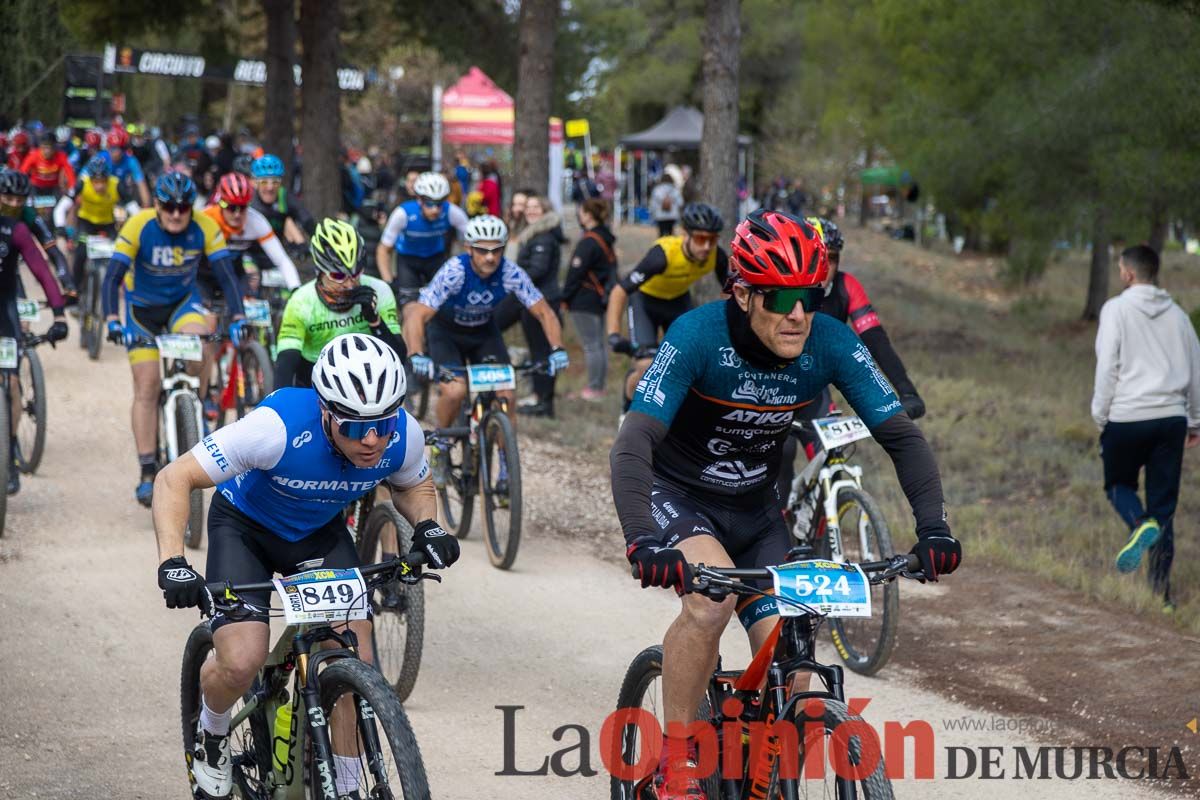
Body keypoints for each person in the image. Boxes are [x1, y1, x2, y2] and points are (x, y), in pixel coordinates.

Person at [609, 209, 959, 798]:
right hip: (679, 497)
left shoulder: (828, 341)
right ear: (743, 293)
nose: (797, 313)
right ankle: (674, 763)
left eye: (810, 296)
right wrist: (642, 536)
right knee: (711, 604)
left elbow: (901, 438)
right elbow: (633, 442)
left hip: (757, 509)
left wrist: (934, 529)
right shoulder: (698, 336)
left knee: (797, 663)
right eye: (779, 296)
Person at [151, 332, 460, 800]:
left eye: (384, 423)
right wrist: (173, 561)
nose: (373, 440)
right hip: (245, 529)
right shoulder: (275, 427)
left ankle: (349, 786)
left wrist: (429, 528)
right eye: (356, 428)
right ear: (325, 412)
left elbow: (414, 485)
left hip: (317, 533)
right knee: (242, 659)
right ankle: (212, 734)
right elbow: (174, 478)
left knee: (355, 655)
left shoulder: (404, 435)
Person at [103, 172, 246, 506]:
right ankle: (147, 469)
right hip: (142, 314)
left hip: (181, 306)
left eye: (183, 207)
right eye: (169, 207)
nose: (177, 214)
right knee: (147, 386)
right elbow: (112, 279)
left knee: (202, 340)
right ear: (157, 205)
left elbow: (226, 276)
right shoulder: (138, 226)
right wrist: (111, 319)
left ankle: (193, 405)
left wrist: (238, 316)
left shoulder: (204, 228)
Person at [402, 215, 568, 482]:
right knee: (454, 390)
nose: (490, 258)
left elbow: (544, 312)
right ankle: (441, 448)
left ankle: (505, 463)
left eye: (496, 250)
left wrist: (557, 348)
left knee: (507, 394)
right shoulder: (454, 271)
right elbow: (417, 316)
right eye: (482, 250)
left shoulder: (510, 272)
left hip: (483, 333)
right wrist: (416, 353)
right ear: (469, 249)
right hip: (446, 333)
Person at [776, 216, 927, 504]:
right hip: (772, 387)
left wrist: (906, 390)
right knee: (779, 460)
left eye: (832, 259)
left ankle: (822, 535)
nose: (826, 268)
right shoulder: (782, 287)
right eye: (818, 257)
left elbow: (875, 339)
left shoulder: (847, 286)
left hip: (813, 389)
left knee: (830, 463)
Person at [1092, 244, 1200, 613]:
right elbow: (1196, 372)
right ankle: (1162, 596)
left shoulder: (1116, 310)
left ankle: (1138, 524)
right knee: (1163, 507)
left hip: (1126, 416)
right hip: (1170, 419)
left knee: (1118, 485)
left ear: (1127, 273)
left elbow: (1107, 365)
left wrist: (1100, 415)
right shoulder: (1181, 318)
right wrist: (1195, 420)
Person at [606, 202, 728, 414]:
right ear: (684, 234)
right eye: (700, 238)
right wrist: (613, 334)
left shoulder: (716, 256)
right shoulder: (662, 255)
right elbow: (620, 290)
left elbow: (731, 290)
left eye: (713, 239)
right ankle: (627, 414)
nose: (707, 246)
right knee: (646, 365)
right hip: (645, 301)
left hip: (677, 301)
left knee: (688, 364)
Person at [275, 218, 405, 389]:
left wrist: (375, 321)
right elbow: (286, 363)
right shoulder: (301, 301)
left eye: (356, 273)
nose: (349, 284)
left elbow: (399, 357)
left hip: (365, 381)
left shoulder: (379, 290)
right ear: (320, 271)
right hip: (315, 381)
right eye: (338, 276)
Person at [0, 205, 69, 494]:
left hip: (4, 310)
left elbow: (41, 269)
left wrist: (59, 313)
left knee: (12, 381)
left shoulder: (13, 229)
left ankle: (10, 450)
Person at [501, 193, 565, 417]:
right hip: (530, 300)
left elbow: (537, 270)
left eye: (536, 207)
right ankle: (540, 398)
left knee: (542, 352)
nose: (531, 211)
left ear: (545, 210)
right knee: (538, 351)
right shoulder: (532, 234)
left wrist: (511, 281)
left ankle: (543, 402)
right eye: (528, 207)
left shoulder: (544, 237)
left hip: (543, 301)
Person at [200, 171, 301, 296]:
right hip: (204, 274)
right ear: (221, 204)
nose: (237, 214)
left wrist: (296, 290)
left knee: (250, 304)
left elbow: (281, 260)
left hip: (235, 274)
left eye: (242, 208)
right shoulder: (205, 219)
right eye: (231, 208)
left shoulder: (256, 222)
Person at [375, 171, 469, 304]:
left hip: (435, 258)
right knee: (409, 304)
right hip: (408, 261)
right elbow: (383, 250)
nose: (435, 209)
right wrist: (388, 282)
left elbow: (473, 242)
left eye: (440, 203)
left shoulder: (452, 212)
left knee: (441, 304)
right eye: (429, 203)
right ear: (419, 199)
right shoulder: (402, 214)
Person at [561, 197, 617, 400]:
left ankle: (594, 388)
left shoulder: (589, 241)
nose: (580, 215)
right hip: (600, 299)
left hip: (583, 300)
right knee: (598, 344)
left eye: (582, 212)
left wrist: (565, 297)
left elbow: (575, 272)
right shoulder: (606, 238)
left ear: (589, 215)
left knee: (591, 345)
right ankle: (598, 386)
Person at [0, 168, 76, 301]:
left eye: (20, 200)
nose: (14, 204)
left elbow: (53, 251)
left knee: (23, 319)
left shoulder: (28, 214)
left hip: (8, 269)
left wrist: (68, 285)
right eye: (9, 199)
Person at [63, 156, 124, 296]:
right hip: (86, 224)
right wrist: (62, 227)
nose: (99, 186)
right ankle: (75, 291)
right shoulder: (82, 184)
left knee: (117, 256)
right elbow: (63, 206)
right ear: (90, 179)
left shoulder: (116, 184)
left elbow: (132, 206)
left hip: (107, 225)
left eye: (103, 181)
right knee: (80, 254)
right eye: (95, 181)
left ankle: (114, 288)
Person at [249, 153, 316, 250]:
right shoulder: (249, 200)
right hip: (251, 254)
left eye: (275, 182)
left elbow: (306, 219)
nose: (270, 187)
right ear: (255, 183)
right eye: (264, 182)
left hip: (276, 254)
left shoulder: (284, 196)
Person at [97, 127, 152, 208]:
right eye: (112, 148)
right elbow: (85, 177)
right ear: (108, 148)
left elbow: (141, 183)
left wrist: (146, 206)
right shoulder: (101, 158)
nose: (115, 153)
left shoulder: (131, 161)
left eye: (119, 149)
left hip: (122, 197)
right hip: (101, 195)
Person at [19, 132, 75, 199]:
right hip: (36, 187)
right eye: (44, 148)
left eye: (50, 148)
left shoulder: (61, 156)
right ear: (40, 147)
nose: (47, 151)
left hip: (53, 187)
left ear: (55, 148)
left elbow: (69, 172)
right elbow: (23, 171)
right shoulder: (34, 155)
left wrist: (73, 188)